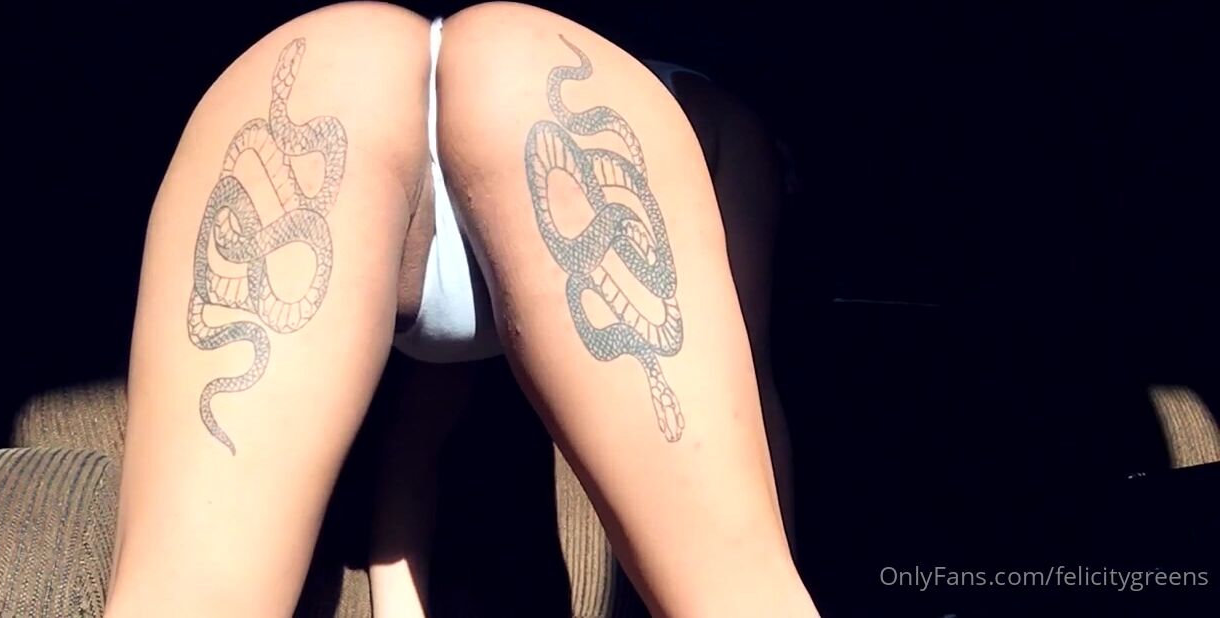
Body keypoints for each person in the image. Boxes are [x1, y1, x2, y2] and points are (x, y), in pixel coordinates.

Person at [103, 2, 816, 617]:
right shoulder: (725, 124)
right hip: (540, 83)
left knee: (186, 596)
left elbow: (424, 407)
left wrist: (397, 596)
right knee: (735, 592)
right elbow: (747, 394)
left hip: (328, 64)